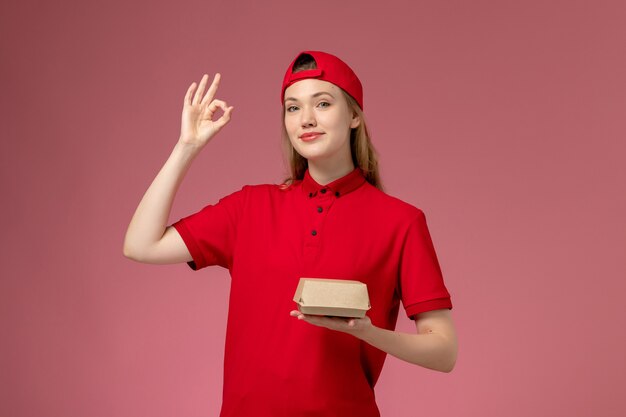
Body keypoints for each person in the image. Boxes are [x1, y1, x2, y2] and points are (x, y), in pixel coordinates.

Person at [123, 50, 458, 417]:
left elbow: (443, 352)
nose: (306, 119)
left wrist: (366, 332)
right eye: (293, 108)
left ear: (354, 117)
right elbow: (141, 245)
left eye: (323, 103)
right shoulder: (249, 207)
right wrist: (186, 147)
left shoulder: (401, 222)